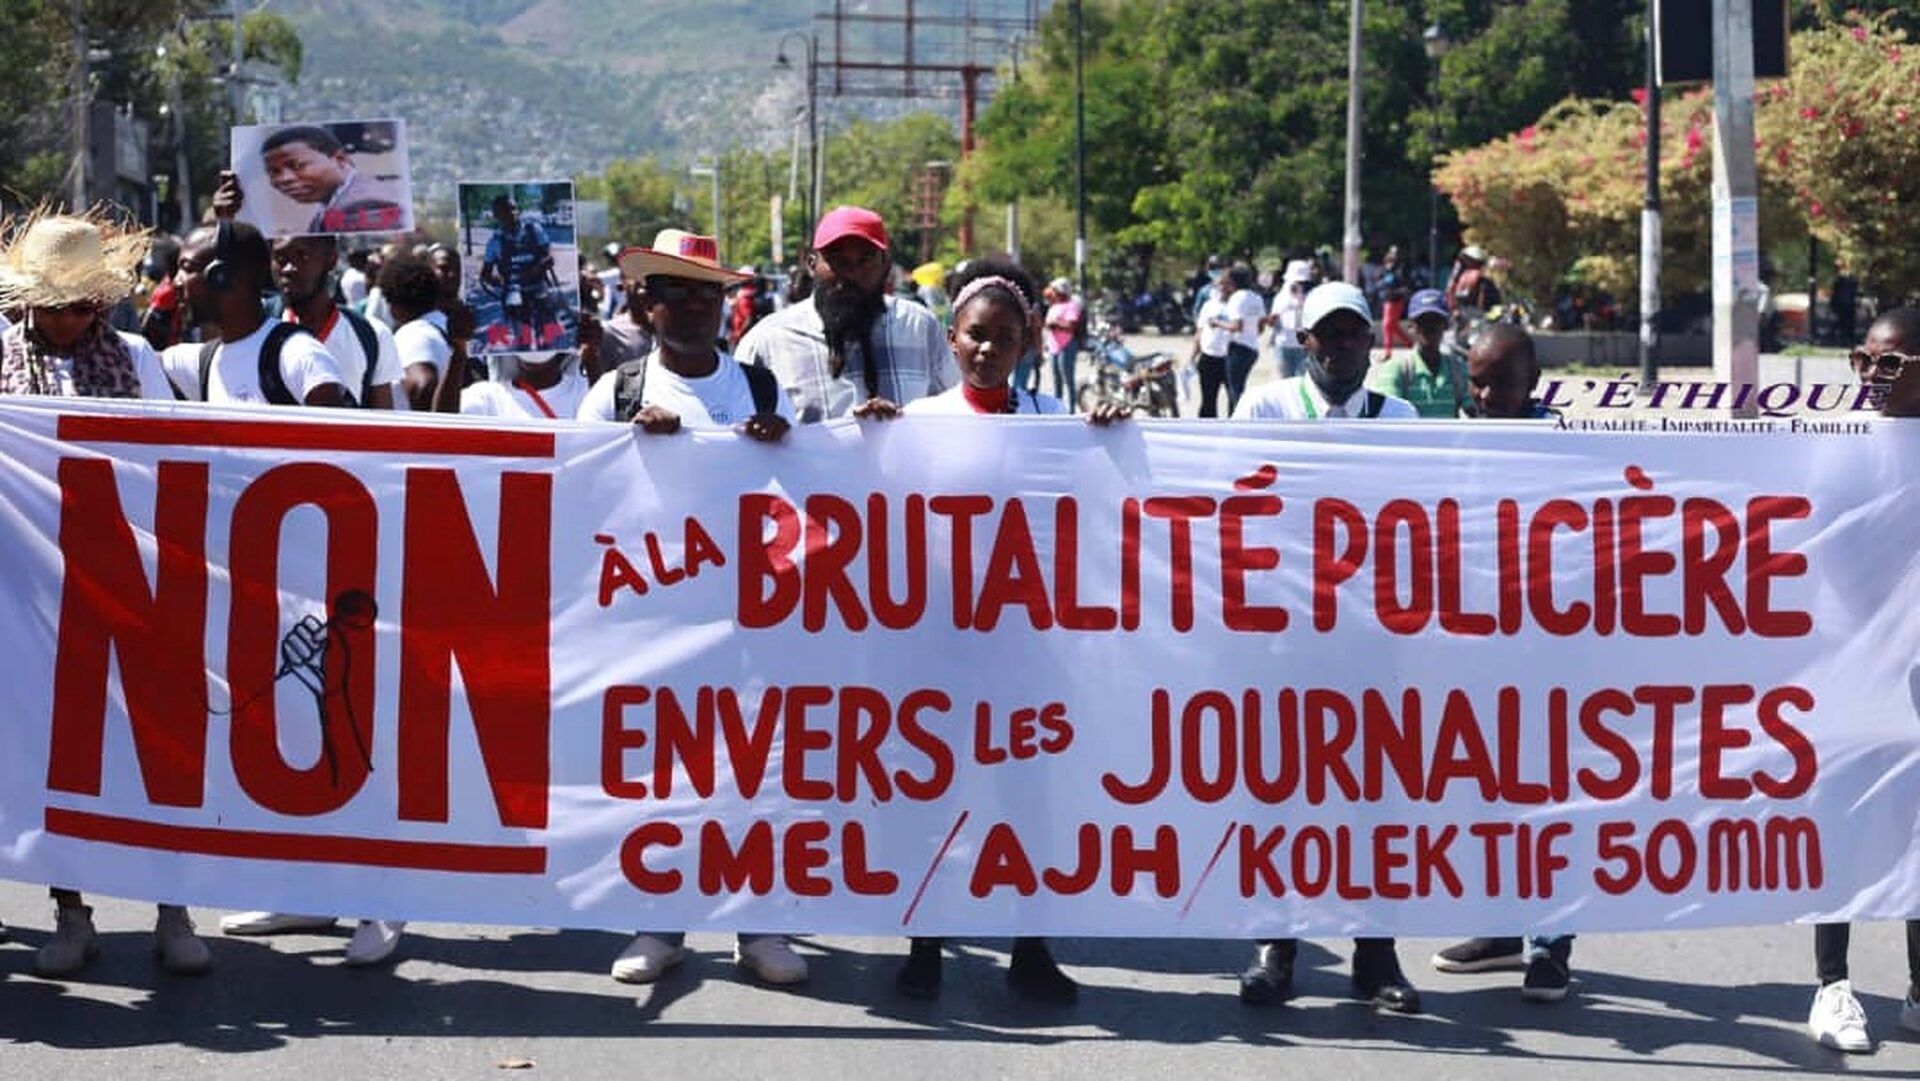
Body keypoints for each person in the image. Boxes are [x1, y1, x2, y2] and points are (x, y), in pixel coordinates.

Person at [892, 264, 1126, 1002]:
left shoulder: (1054, 419)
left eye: (1003, 337)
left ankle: (1032, 944)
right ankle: (924, 941)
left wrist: (1114, 435)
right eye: (975, 336)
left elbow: (1103, 499)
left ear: (1027, 343)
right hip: (940, 643)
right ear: (952, 340)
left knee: (1029, 798)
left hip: (1027, 648)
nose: (988, 350)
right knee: (933, 794)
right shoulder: (918, 421)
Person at [576, 231, 799, 986]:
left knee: (753, 767)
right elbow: (580, 497)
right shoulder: (616, 394)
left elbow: (804, 494)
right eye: (680, 292)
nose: (697, 306)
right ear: (650, 305)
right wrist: (631, 449)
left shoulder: (761, 390)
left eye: (709, 293)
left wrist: (779, 447)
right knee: (661, 773)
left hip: (748, 614)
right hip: (653, 613)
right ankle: (660, 922)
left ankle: (758, 925)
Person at [0, 210, 212, 976]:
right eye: (52, 305)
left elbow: (171, 461)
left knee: (147, 747)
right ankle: (71, 910)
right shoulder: (2, 358)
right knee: (51, 753)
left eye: (79, 305)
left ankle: (172, 907)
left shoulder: (137, 359)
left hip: (126, 584)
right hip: (31, 591)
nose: (65, 320)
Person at [1231, 282, 1418, 1012]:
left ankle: (1376, 952)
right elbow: (1229, 503)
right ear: (1302, 340)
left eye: (1353, 333)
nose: (1341, 345)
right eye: (1327, 333)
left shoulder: (1400, 419)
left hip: (1370, 639)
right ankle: (1275, 944)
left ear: (1370, 341)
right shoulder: (1266, 408)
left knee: (1374, 798)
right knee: (1278, 792)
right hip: (1284, 637)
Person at [1424, 324, 1574, 1001]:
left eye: (1500, 384)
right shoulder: (1455, 444)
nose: (1485, 396)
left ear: (1533, 384)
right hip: (1478, 652)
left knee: (1549, 801)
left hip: (1549, 655)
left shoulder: (1566, 446)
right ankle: (1500, 928)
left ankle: (1551, 944)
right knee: (1486, 795)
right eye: (1477, 382)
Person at [1803, 306, 1920, 1053]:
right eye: (1863, 360)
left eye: (1892, 363)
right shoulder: (1840, 448)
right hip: (1853, 667)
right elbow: (1831, 557)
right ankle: (1831, 986)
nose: (1872, 376)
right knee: (1842, 825)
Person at [736, 206, 954, 422]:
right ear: (812, 264)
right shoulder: (769, 341)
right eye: (838, 260)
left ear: (885, 266)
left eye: (865, 260)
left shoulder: (919, 328)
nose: (852, 272)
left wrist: (900, 423)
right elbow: (735, 422)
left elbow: (954, 413)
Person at [162, 218, 348, 407]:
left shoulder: (299, 356)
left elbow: (336, 425)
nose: (176, 283)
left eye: (187, 268)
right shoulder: (203, 362)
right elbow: (144, 359)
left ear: (222, 276)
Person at [260, 124, 406, 235]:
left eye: (298, 166)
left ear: (340, 160)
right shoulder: (336, 200)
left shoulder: (364, 205)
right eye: (273, 172)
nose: (284, 179)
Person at [1366, 288, 1469, 418]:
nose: (1430, 327)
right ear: (1411, 327)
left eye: (1436, 320)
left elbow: (1474, 411)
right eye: (1423, 321)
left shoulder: (1458, 369)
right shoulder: (1395, 370)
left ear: (1446, 325)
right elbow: (1389, 418)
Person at [380, 252, 462, 411]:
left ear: (396, 304)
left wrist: (427, 423)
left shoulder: (414, 334)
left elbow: (422, 387)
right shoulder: (445, 326)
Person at [481, 196, 559, 352]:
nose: (511, 213)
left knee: (549, 339)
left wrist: (540, 266)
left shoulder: (534, 230)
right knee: (523, 341)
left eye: (513, 208)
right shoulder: (494, 242)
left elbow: (548, 256)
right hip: (515, 296)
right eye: (505, 210)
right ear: (496, 215)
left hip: (539, 289)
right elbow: (485, 274)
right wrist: (497, 281)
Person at [440, 351, 589, 420]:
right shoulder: (488, 397)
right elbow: (441, 425)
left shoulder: (584, 392)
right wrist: (458, 353)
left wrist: (592, 358)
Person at [1192, 268, 1240, 418]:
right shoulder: (1209, 305)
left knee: (1234, 399)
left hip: (1230, 358)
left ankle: (1233, 428)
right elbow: (1200, 331)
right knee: (1208, 401)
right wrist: (1193, 356)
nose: (1223, 288)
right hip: (1209, 356)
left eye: (1227, 284)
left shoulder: (1238, 305)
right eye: (1220, 284)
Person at [1220, 264, 1265, 414]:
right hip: (1252, 348)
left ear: (1233, 281)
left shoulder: (1236, 298)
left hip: (1238, 347)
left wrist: (1216, 323)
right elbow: (1261, 327)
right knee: (1239, 387)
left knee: (1235, 390)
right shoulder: (1257, 297)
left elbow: (1236, 326)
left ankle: (1239, 418)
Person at [1264, 259, 1313, 379]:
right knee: (1285, 380)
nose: (1298, 284)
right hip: (1283, 344)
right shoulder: (1281, 297)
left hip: (1303, 345)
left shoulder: (1311, 296)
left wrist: (1300, 298)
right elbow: (1273, 322)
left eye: (1301, 282)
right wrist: (1271, 319)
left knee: (1302, 380)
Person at [1041, 276, 1084, 410]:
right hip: (1054, 347)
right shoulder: (1054, 306)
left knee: (1068, 380)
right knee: (1057, 381)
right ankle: (1058, 409)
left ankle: (1071, 410)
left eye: (1054, 290)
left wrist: (1056, 324)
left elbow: (1071, 326)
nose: (1052, 293)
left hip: (1067, 346)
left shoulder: (1071, 306)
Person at [1378, 246, 1410, 357]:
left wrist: (1401, 291)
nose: (1393, 257)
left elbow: (1405, 284)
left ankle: (1387, 352)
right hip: (1387, 299)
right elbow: (1381, 280)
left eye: (1395, 254)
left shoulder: (1401, 269)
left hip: (1396, 299)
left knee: (1387, 325)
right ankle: (1409, 343)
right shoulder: (1386, 269)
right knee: (1392, 325)